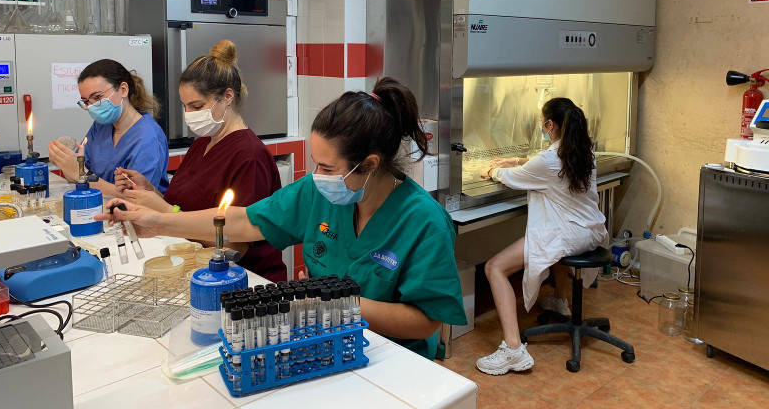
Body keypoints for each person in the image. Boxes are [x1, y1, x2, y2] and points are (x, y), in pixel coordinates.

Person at [100, 78, 467, 359]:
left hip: (392, 359)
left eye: (326, 166)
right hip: (325, 342)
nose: (316, 175)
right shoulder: (317, 191)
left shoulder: (423, 222)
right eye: (315, 163)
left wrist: (333, 300)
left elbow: (426, 319)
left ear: (369, 164)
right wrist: (157, 220)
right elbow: (244, 221)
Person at [113, 40, 286, 282]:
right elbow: (182, 207)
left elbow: (235, 248)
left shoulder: (249, 156)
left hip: (245, 280)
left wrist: (162, 211)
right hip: (197, 269)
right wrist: (148, 190)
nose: (190, 116)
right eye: (185, 107)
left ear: (227, 96)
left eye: (197, 106)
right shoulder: (204, 142)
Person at [475, 97, 606, 376]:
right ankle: (559, 299)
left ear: (549, 125)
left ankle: (513, 350)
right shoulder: (585, 153)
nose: (542, 129)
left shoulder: (548, 161)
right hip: (590, 232)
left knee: (494, 267)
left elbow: (514, 177)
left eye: (542, 124)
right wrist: (517, 158)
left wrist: (492, 169)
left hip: (567, 234)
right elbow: (549, 164)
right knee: (554, 250)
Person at [48, 60, 169, 197]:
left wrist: (80, 173)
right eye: (86, 101)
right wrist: (65, 161)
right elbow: (79, 176)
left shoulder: (148, 139)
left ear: (123, 89)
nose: (92, 106)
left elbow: (137, 198)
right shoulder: (101, 126)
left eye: (97, 97)